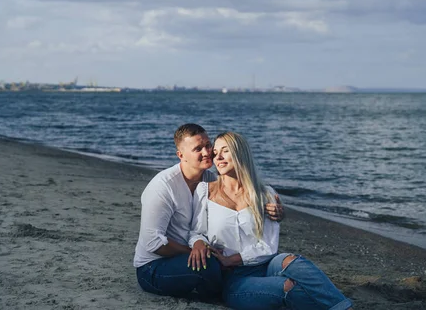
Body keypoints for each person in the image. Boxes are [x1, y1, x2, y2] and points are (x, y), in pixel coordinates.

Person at [188, 131, 353, 310]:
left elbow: (268, 247)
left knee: (292, 260)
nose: (218, 156)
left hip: (267, 265)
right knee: (289, 287)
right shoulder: (205, 191)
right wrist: (198, 243)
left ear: (240, 154)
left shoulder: (265, 194)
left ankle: (343, 307)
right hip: (235, 278)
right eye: (216, 152)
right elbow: (196, 231)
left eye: (225, 151)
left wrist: (232, 259)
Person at [134, 124, 284, 300]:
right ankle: (230, 294)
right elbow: (153, 243)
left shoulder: (210, 180)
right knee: (210, 265)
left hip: (191, 255)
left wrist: (275, 213)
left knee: (221, 262)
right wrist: (197, 250)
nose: (207, 152)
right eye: (198, 148)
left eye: (207, 145)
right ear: (181, 155)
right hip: (154, 267)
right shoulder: (163, 187)